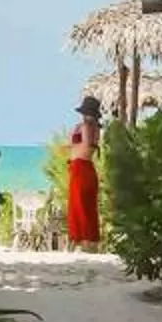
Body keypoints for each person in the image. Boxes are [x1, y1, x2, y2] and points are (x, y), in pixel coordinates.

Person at [66, 93, 103, 248]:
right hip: (83, 166)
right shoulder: (94, 128)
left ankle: (83, 240)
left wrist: (73, 144)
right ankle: (85, 241)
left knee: (80, 204)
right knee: (84, 204)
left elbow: (87, 143)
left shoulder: (87, 126)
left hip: (81, 166)